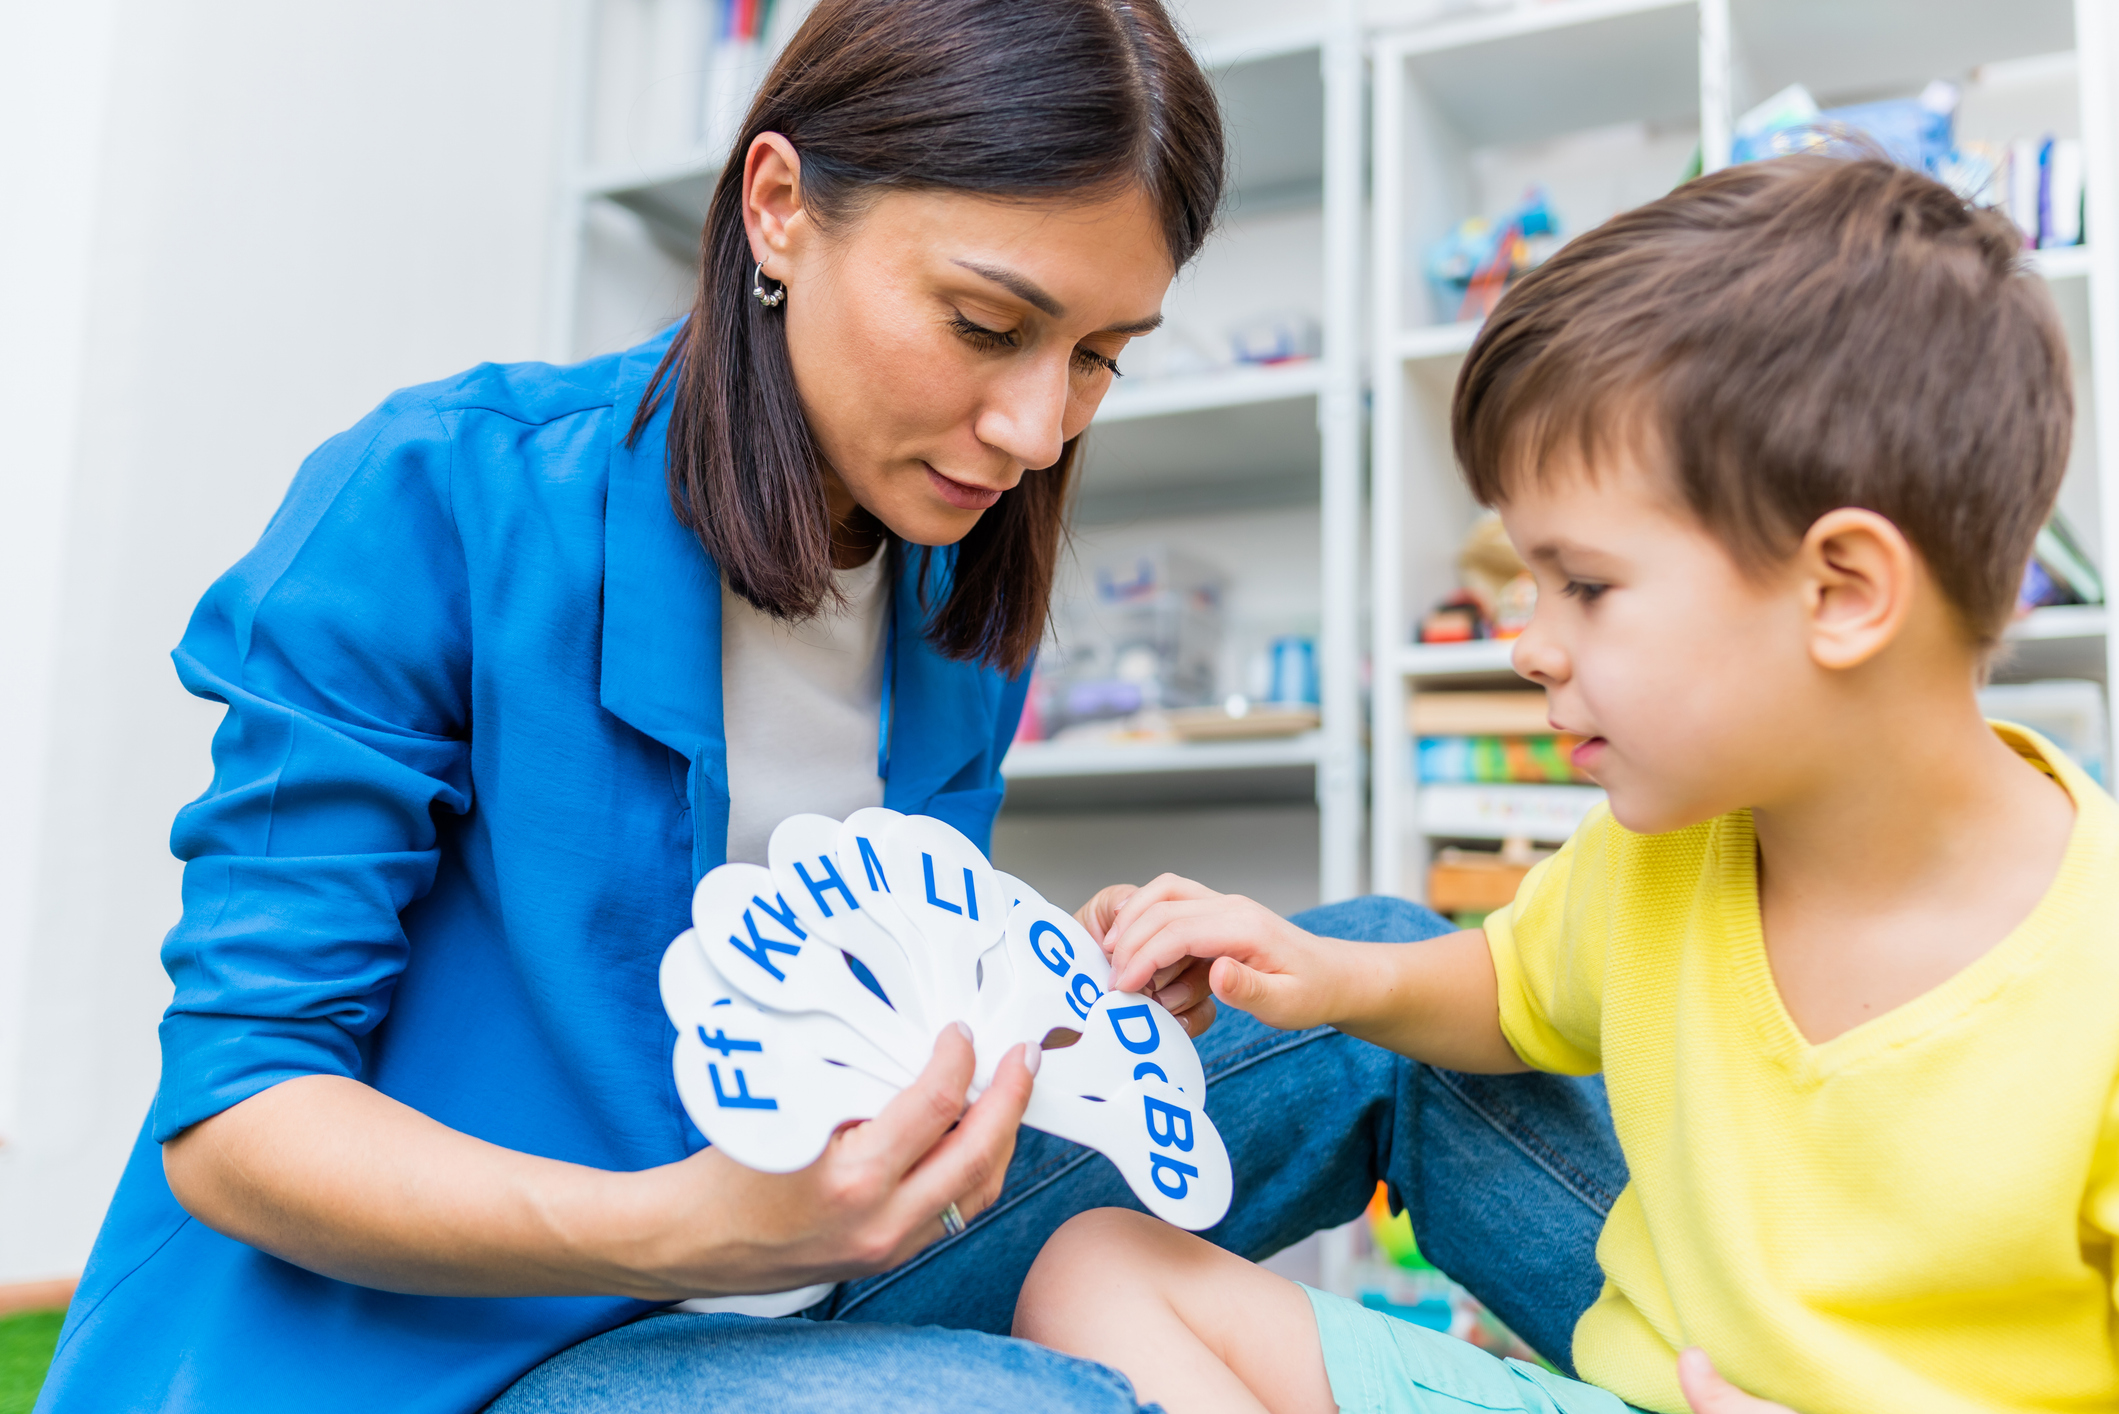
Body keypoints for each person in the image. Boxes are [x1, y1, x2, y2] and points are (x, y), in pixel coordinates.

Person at [36, 3, 1632, 1411]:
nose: (1032, 427)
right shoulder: (437, 497)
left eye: (1097, 358)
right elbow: (240, 1122)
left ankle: (1779, 1374)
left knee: (1374, 995)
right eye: (986, 325)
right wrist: (683, 1224)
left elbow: (849, 1004)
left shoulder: (951, 595)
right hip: (476, 1343)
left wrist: (1060, 1027)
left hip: (809, 1256)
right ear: (780, 207)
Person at [1014, 154, 2119, 1414]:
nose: (1528, 642)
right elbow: (1510, 984)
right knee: (1091, 1266)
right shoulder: (1669, 845)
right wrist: (1319, 974)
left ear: (1842, 592)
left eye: (1582, 584)